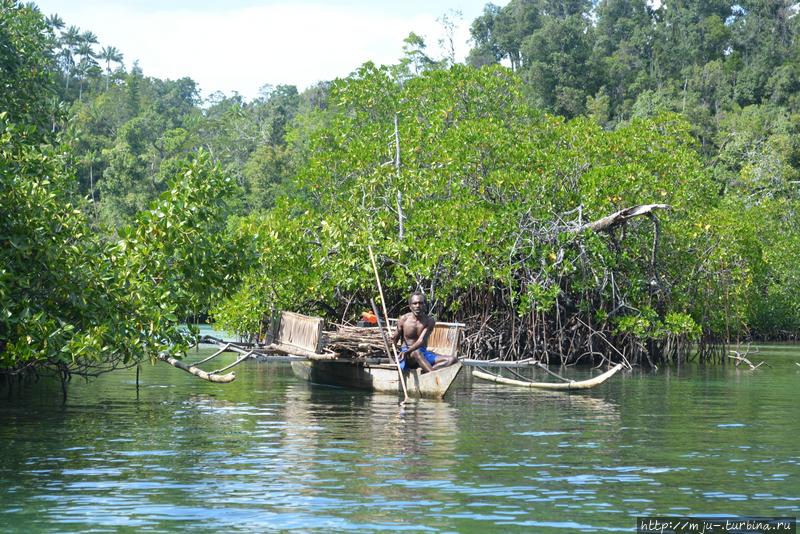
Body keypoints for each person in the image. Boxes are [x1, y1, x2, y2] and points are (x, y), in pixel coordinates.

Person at [391, 292, 457, 373]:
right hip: (407, 355)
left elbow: (421, 340)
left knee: (452, 359)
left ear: (424, 305)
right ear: (410, 306)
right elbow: (394, 340)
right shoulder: (403, 319)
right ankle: (433, 375)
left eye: (420, 303)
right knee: (416, 352)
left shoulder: (429, 321)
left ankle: (427, 371)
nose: (418, 306)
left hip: (422, 352)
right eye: (415, 303)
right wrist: (394, 356)